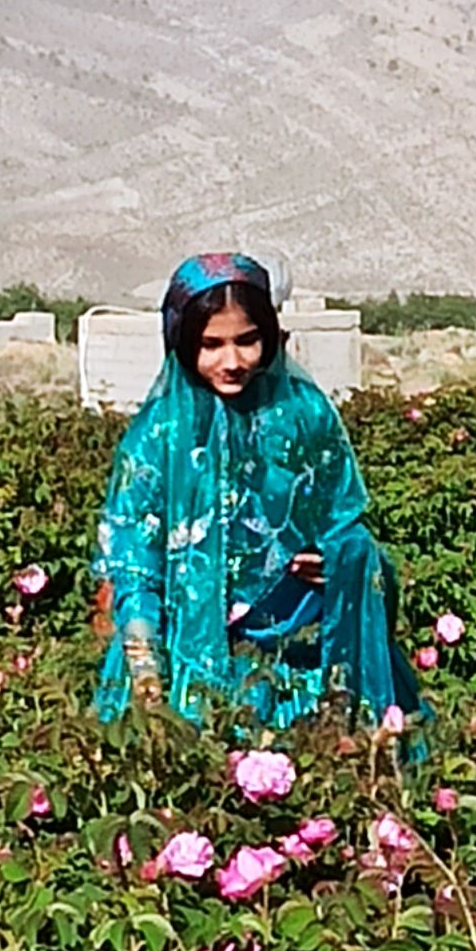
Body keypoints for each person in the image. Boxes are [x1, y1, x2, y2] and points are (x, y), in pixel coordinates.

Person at [91, 252, 426, 734]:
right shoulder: (158, 436)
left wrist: (340, 561)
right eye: (212, 344)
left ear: (270, 335)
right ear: (182, 343)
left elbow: (348, 529)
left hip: (299, 667)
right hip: (186, 666)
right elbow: (134, 569)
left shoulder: (305, 416)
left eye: (247, 340)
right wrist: (149, 689)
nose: (232, 361)